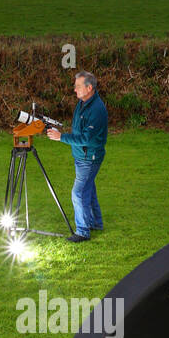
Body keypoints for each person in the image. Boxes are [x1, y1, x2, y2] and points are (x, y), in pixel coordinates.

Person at [44, 71, 107, 243]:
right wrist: (60, 133)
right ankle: (96, 223)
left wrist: (61, 137)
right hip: (82, 156)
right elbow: (79, 130)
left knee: (78, 193)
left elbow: (87, 138)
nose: (74, 89)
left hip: (89, 158)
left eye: (78, 86)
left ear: (89, 87)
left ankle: (82, 231)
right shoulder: (83, 102)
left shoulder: (96, 110)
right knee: (88, 189)